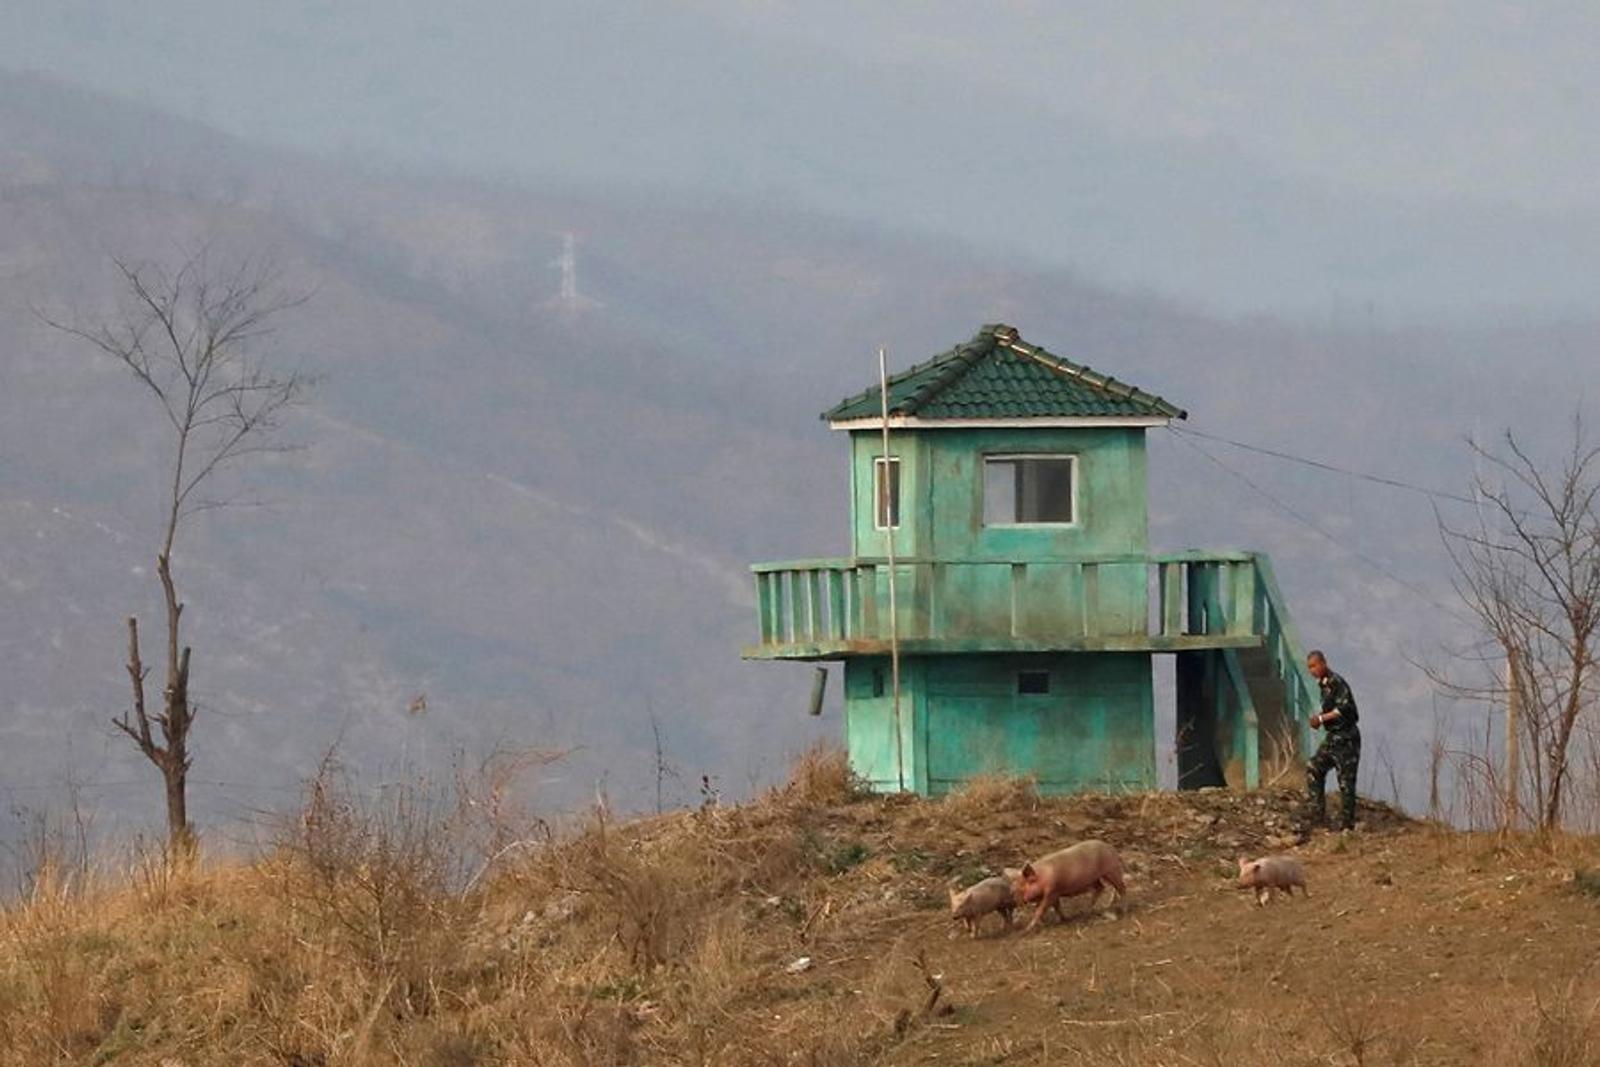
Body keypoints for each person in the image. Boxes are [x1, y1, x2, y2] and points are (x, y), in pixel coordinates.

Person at [1305, 649, 1360, 831]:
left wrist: (1321, 719)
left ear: (1323, 663)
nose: (1312, 670)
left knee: (1345, 782)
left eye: (1314, 666)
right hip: (1332, 738)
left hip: (1346, 739)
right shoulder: (1323, 684)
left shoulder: (1337, 682)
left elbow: (1343, 709)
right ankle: (1317, 814)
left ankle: (1347, 826)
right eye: (1309, 667)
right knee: (1314, 767)